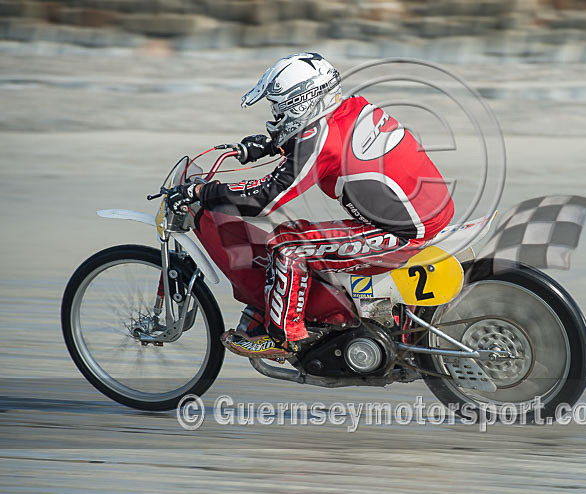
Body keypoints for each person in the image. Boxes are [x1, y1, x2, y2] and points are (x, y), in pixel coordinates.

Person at [167, 52, 454, 358]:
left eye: (279, 107)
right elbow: (311, 143)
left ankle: (283, 337)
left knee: (289, 247)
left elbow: (266, 196)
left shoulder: (320, 142)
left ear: (301, 103)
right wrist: (270, 144)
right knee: (295, 232)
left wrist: (202, 192)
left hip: (404, 233)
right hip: (426, 212)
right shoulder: (351, 108)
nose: (276, 115)